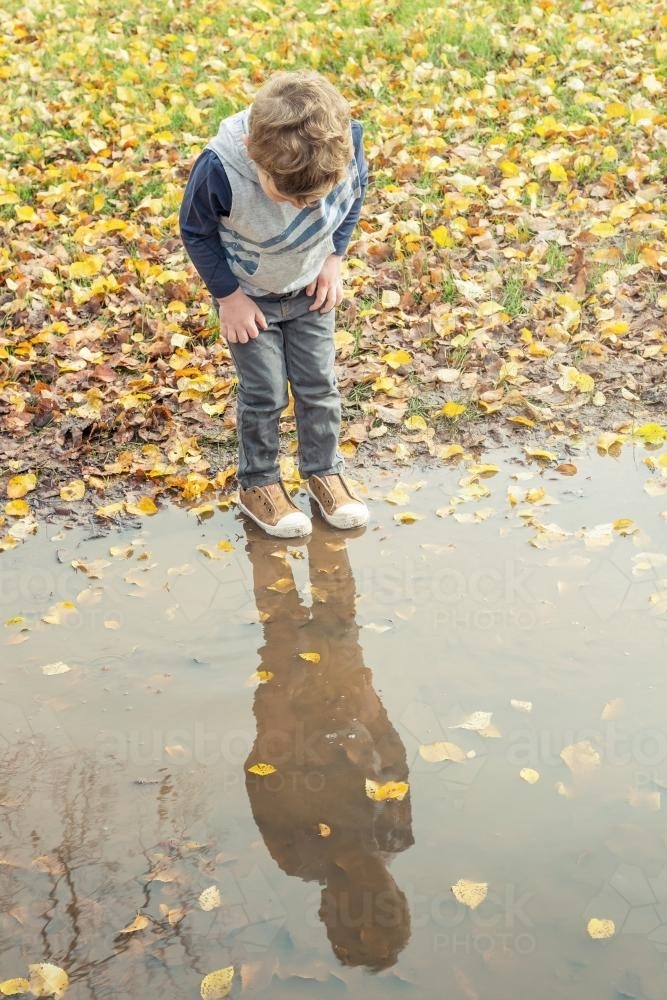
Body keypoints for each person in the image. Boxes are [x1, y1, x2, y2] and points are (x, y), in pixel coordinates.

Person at [179, 70, 370, 538]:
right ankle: (259, 484)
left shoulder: (345, 145)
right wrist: (229, 297)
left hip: (310, 290)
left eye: (315, 198)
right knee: (264, 393)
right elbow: (196, 230)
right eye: (289, 196)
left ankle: (324, 472)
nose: (306, 207)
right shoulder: (220, 168)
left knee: (319, 386)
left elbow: (354, 195)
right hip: (251, 301)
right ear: (253, 154)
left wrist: (334, 257)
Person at [243, 520, 414, 970]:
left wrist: (274, 725)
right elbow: (395, 762)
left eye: (364, 911)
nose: (378, 897)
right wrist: (371, 706)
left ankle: (264, 538)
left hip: (290, 721)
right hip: (348, 703)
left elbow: (257, 780)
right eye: (390, 907)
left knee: (281, 628)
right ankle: (319, 523)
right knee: (338, 617)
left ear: (329, 908)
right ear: (400, 896)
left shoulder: (297, 856)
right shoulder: (396, 834)